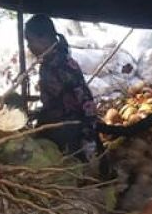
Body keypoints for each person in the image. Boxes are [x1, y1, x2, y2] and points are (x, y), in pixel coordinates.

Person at [25, 14, 99, 158]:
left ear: (44, 38)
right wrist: (40, 113)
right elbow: (53, 100)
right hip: (53, 128)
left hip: (71, 133)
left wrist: (89, 138)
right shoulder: (46, 65)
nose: (28, 46)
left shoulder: (65, 66)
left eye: (30, 40)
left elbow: (87, 103)